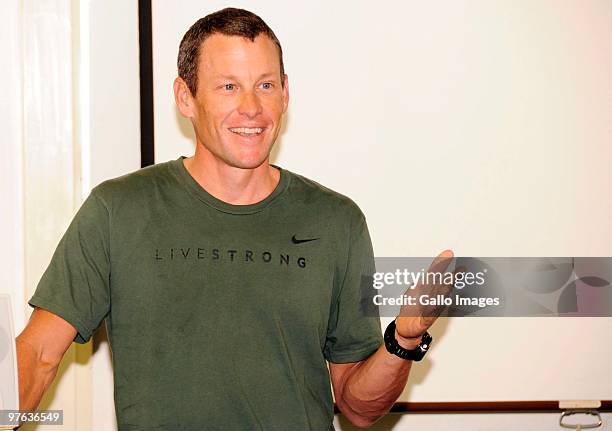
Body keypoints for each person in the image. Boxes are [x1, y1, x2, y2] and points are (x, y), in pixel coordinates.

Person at [16, 7, 452, 430]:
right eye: (228, 87)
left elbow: (358, 407)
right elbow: (38, 355)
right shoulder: (117, 210)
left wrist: (404, 340)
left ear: (286, 93)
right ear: (185, 97)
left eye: (265, 85)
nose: (251, 107)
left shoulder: (336, 221)